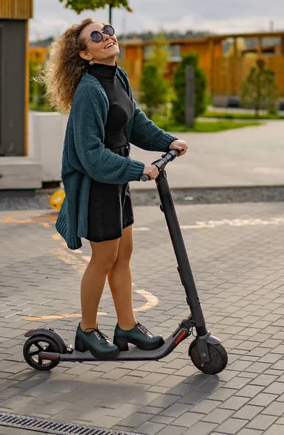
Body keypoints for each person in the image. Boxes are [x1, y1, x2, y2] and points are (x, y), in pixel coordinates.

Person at [45, 18, 188, 360]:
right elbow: (91, 156)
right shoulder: (89, 91)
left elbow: (135, 121)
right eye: (95, 35)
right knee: (104, 257)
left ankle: (126, 325)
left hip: (116, 182)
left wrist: (168, 141)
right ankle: (87, 330)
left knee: (123, 254)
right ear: (85, 53)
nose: (106, 36)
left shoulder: (117, 78)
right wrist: (141, 169)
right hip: (97, 185)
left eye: (107, 30)